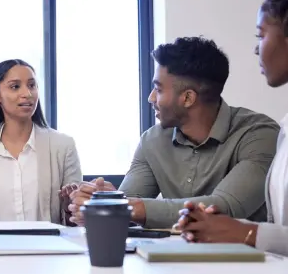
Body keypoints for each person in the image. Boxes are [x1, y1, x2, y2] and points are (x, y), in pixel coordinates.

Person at [68, 37, 280, 229]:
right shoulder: (152, 140)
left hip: (246, 266)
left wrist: (119, 207)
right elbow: (130, 202)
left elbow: (223, 207)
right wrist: (103, 199)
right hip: (171, 262)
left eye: (158, 89)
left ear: (187, 98)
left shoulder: (259, 135)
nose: (151, 98)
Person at [177, 0, 288, 256]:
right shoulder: (285, 127)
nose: (256, 49)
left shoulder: (259, 132)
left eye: (261, 35)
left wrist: (246, 233)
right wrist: (221, 228)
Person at [0, 59, 82, 227]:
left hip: (49, 250)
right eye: (15, 87)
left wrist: (69, 207)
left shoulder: (63, 146)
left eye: (32, 85)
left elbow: (77, 223)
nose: (27, 94)